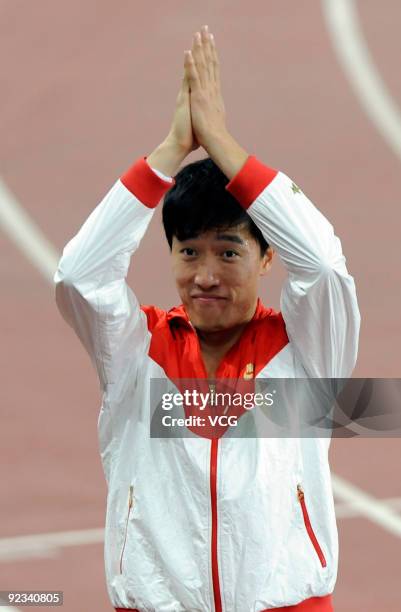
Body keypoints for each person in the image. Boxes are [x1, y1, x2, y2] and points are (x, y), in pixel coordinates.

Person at [54, 24, 360, 612]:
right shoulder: (133, 351)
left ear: (268, 256)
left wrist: (219, 140)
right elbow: (78, 276)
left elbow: (322, 264)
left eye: (229, 250)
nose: (206, 275)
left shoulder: (305, 352)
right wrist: (169, 152)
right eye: (188, 251)